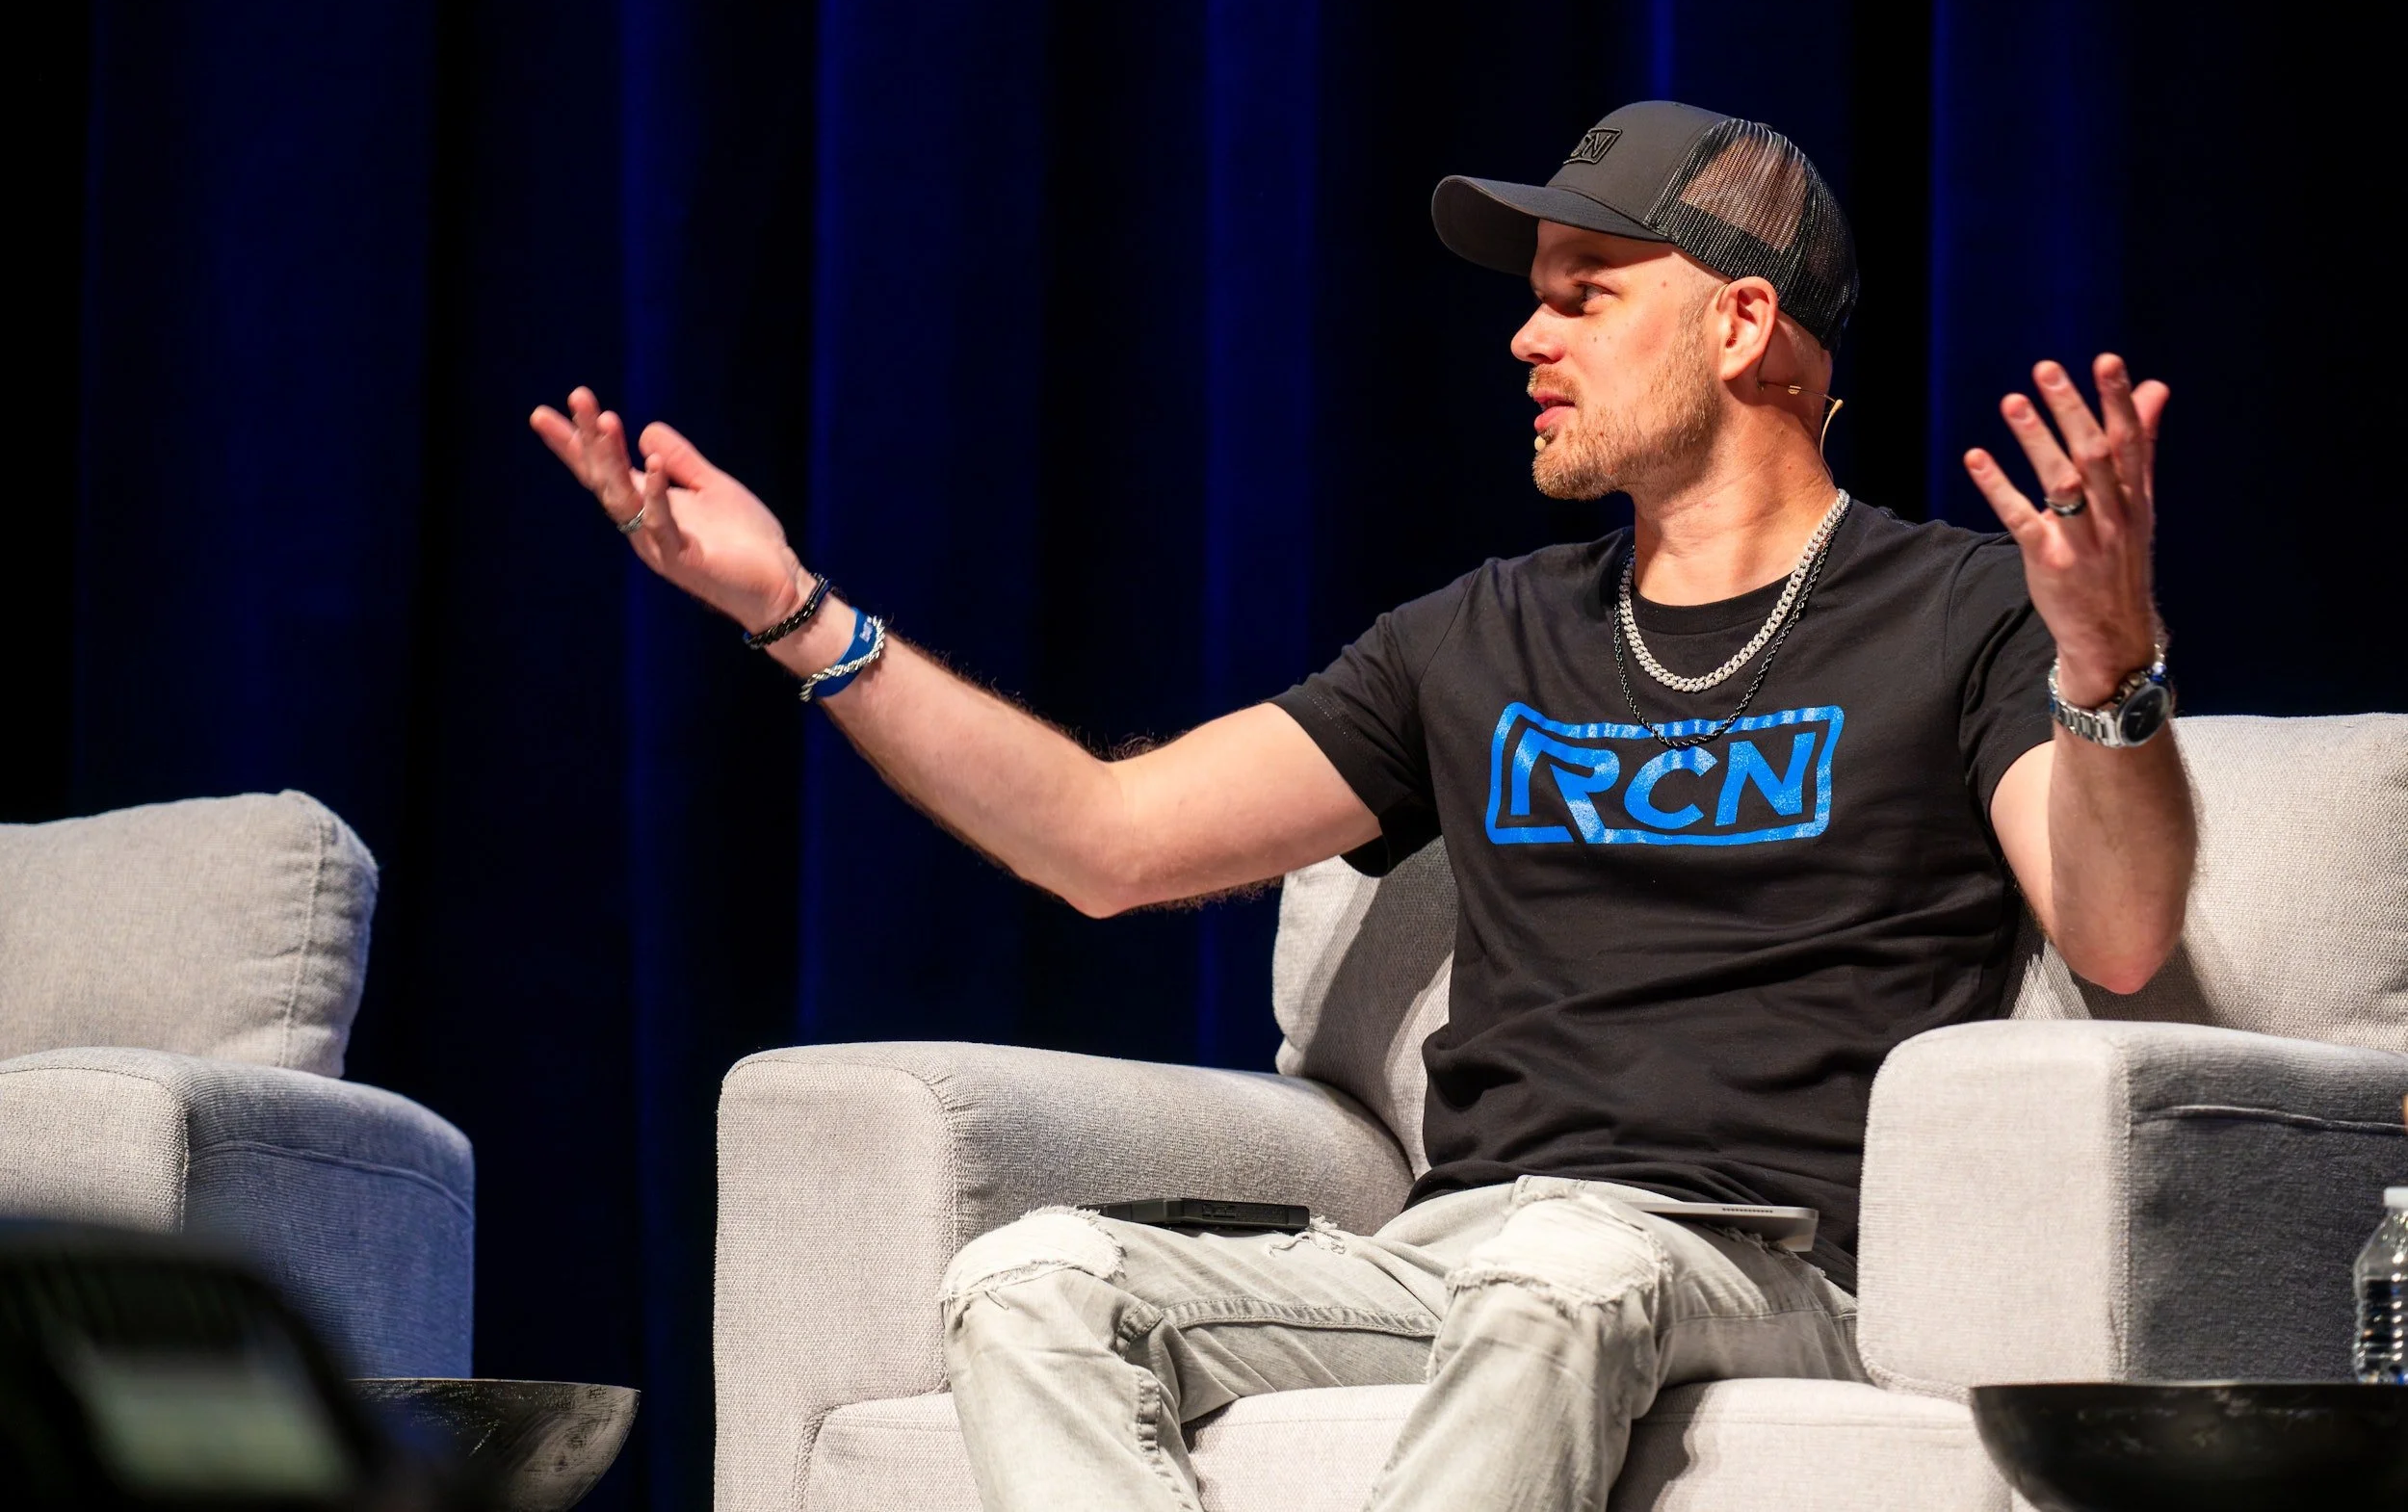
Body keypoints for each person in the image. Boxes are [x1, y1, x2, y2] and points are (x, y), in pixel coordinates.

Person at [533, 99, 2195, 1511]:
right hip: (1460, 1249)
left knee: (1567, 1277)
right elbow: (1108, 841)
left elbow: (2116, 934)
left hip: (1747, 1257)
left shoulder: (1965, 609)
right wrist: (801, 615)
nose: (1527, 337)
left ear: (1743, 325)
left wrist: (2110, 667)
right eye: (1535, 300)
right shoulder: (1480, 632)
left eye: (1587, 296)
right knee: (1027, 1279)